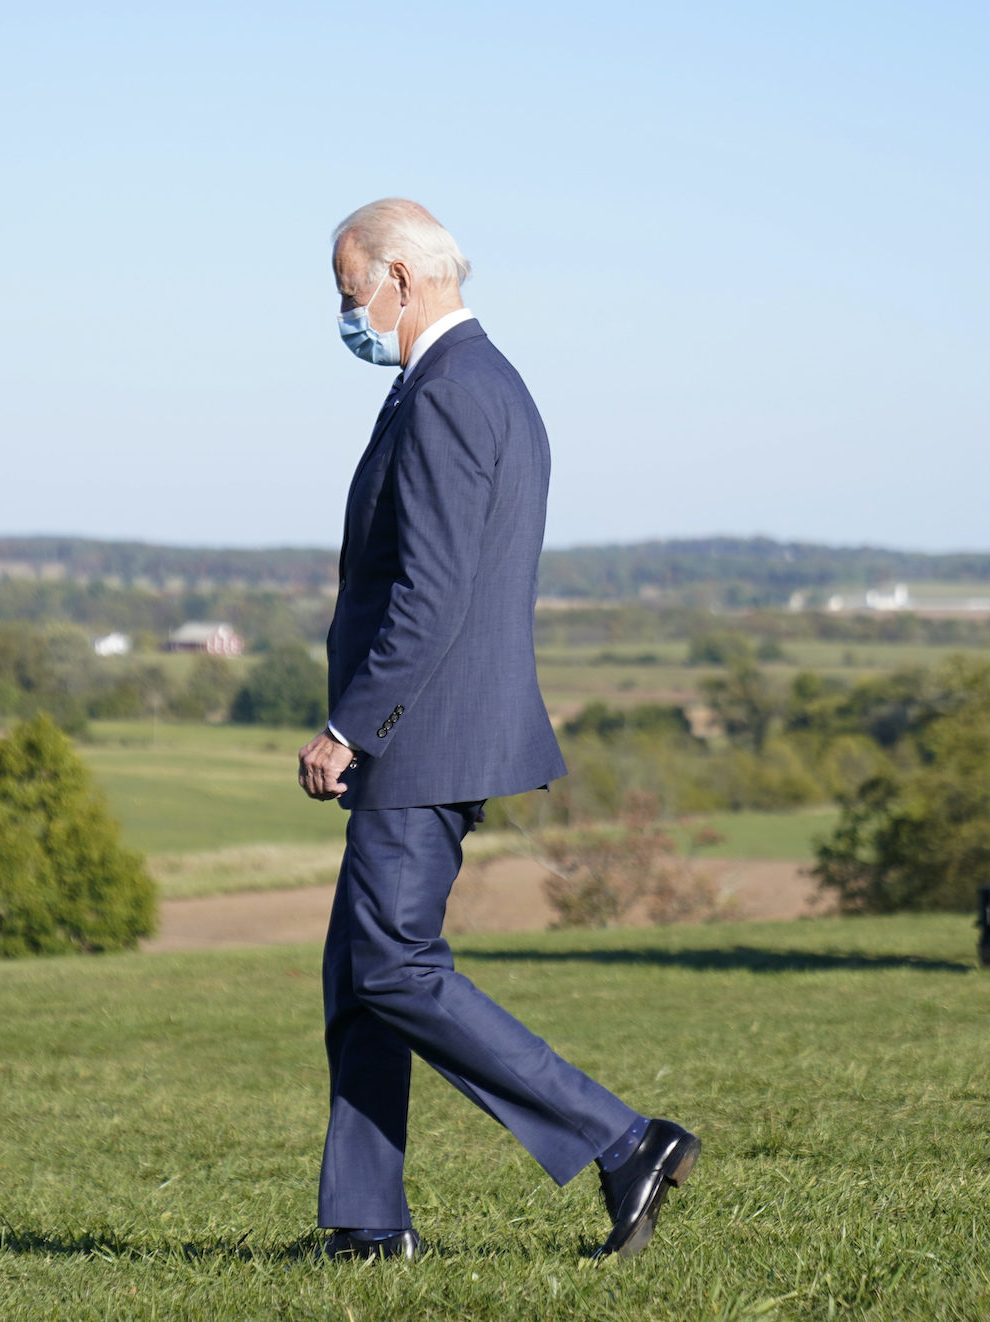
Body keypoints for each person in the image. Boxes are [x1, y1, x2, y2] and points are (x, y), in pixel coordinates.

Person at [296, 198, 699, 1261]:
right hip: (431, 731)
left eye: (349, 295)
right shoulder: (479, 382)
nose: (346, 316)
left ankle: (623, 1142)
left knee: (392, 965)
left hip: (420, 735)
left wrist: (351, 726)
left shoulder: (447, 392)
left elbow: (428, 594)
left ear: (400, 278)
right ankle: (365, 1225)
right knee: (360, 968)